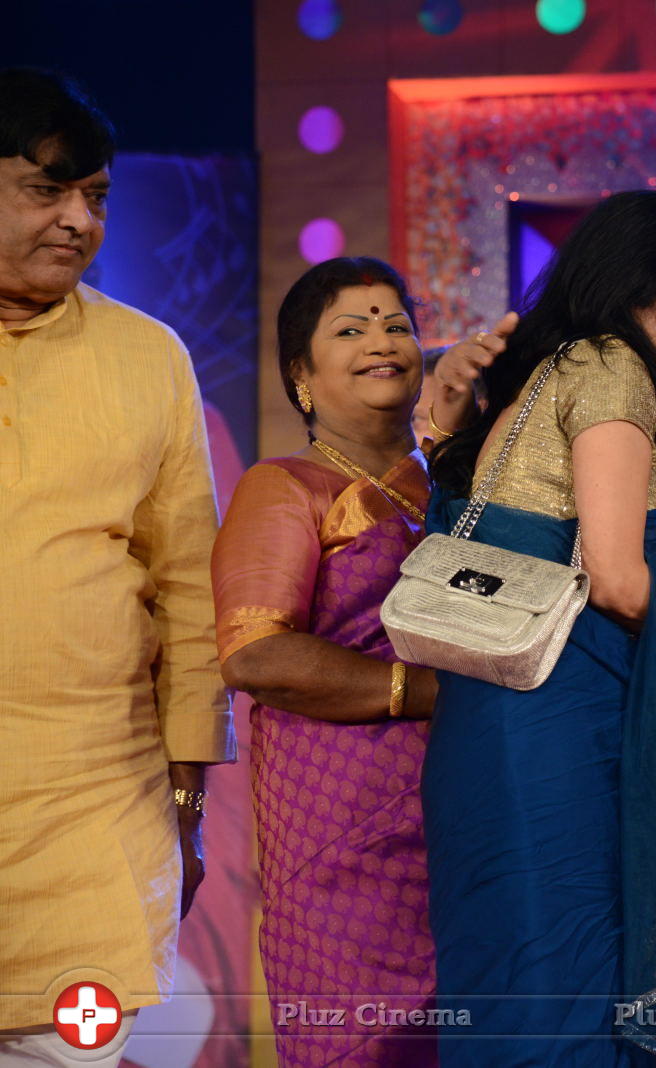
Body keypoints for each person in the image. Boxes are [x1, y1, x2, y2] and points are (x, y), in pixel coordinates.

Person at [423, 191, 656, 1067]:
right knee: (569, 1002)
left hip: (490, 741)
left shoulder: (551, 369)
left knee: (518, 994)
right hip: (556, 741)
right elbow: (619, 578)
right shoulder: (613, 368)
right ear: (642, 289)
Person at [0, 69, 232, 1064]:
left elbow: (189, 590)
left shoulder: (149, 358)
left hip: (93, 812)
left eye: (94, 197)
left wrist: (185, 807)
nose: (75, 221)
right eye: (45, 189)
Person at [211, 256, 470, 1065]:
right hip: (343, 839)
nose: (382, 342)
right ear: (302, 375)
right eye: (350, 330)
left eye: (397, 325)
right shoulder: (284, 487)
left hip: (465, 813)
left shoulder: (457, 492)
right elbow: (255, 653)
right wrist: (422, 689)